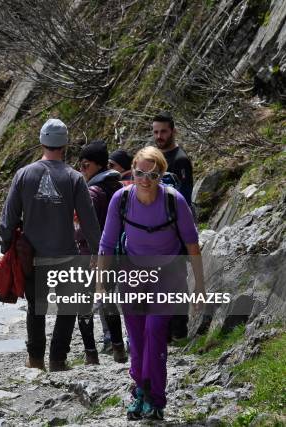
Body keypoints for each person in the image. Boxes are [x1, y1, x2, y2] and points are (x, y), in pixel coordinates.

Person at [97, 147, 204, 420]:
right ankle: (140, 392)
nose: (145, 180)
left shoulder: (174, 200)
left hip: (168, 272)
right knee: (136, 335)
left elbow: (192, 244)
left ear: (161, 174)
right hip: (132, 271)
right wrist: (100, 283)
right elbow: (107, 243)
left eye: (153, 175)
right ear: (132, 171)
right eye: (139, 173)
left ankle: (155, 398)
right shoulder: (121, 200)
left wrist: (199, 287)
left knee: (155, 330)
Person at [0, 118, 101, 372]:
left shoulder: (24, 175)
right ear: (65, 144)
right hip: (66, 253)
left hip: (32, 255)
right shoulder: (75, 178)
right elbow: (89, 222)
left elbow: (8, 217)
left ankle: (35, 360)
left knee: (36, 308)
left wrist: (5, 245)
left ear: (42, 140)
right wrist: (98, 252)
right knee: (67, 308)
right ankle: (58, 359)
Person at [75, 140, 127, 365]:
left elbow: (86, 229)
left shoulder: (93, 192)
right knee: (109, 301)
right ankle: (118, 347)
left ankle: (90, 354)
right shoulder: (119, 186)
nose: (81, 170)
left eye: (85, 165)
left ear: (97, 165)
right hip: (118, 253)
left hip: (92, 256)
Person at [152, 112, 194, 340]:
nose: (159, 136)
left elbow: (185, 200)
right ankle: (163, 330)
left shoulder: (180, 160)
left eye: (163, 131)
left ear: (173, 131)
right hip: (154, 231)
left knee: (176, 280)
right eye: (156, 132)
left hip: (176, 232)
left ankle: (179, 330)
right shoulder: (153, 158)